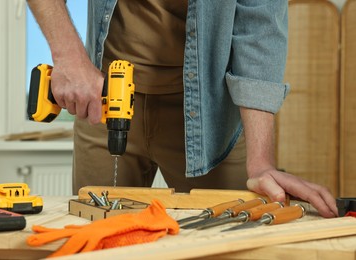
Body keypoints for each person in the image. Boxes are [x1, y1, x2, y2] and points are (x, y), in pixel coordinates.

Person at [26, 0, 338, 218]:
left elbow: (260, 26)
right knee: (98, 239)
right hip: (105, 106)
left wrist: (260, 163)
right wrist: (69, 58)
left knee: (228, 240)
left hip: (211, 117)